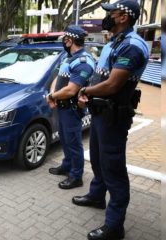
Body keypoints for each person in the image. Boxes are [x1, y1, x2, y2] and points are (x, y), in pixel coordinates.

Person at [75, 1, 149, 239]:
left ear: (124, 17)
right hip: (100, 113)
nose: (106, 17)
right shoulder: (113, 42)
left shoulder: (132, 46)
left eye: (111, 13)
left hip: (114, 117)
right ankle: (97, 196)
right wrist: (88, 91)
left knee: (113, 169)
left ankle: (115, 226)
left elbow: (113, 84)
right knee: (97, 159)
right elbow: (100, 76)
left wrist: (85, 92)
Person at [46, 26, 95, 190]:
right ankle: (66, 166)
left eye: (65, 38)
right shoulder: (68, 58)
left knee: (74, 143)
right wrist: (53, 93)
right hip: (62, 106)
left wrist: (52, 96)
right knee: (65, 140)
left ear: (71, 40)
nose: (63, 41)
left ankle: (76, 176)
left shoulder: (84, 61)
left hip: (72, 108)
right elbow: (57, 78)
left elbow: (71, 90)